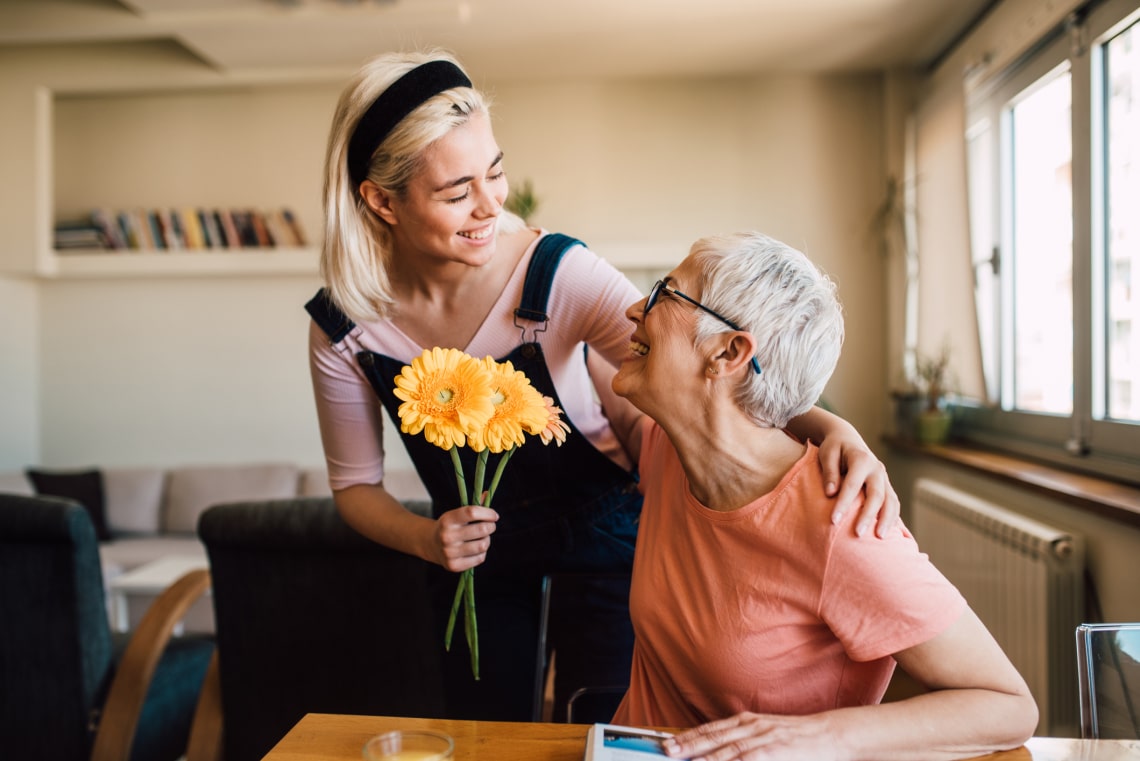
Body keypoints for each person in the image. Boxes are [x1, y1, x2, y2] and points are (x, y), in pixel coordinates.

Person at [305, 49, 901, 722]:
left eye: (494, 173)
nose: (489, 205)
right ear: (381, 200)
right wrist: (425, 539)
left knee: (603, 725)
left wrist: (832, 428)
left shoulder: (557, 273)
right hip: (476, 569)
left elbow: (704, 376)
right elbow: (355, 486)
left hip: (609, 545)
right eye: (455, 191)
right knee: (482, 733)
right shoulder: (344, 327)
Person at [609, 232, 1038, 759]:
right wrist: (833, 423)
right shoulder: (671, 446)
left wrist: (823, 735)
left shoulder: (842, 522)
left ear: (728, 351)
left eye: (662, 293)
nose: (634, 307)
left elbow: (1008, 705)